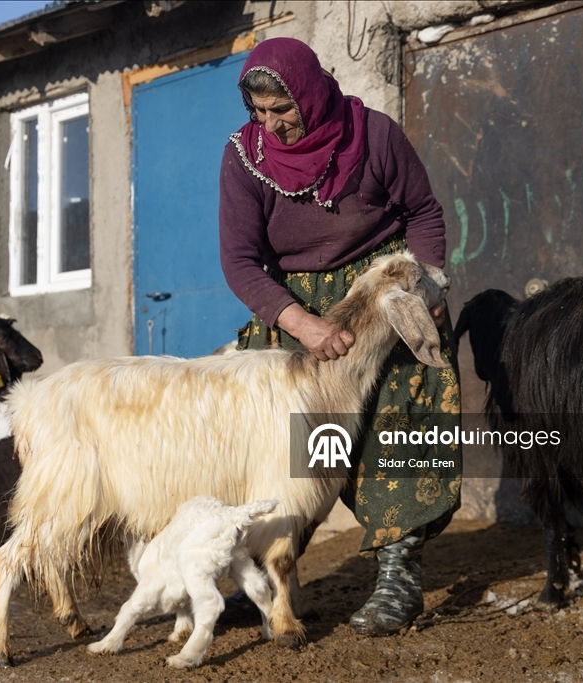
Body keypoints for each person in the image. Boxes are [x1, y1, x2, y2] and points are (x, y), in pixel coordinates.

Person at [219, 37, 462, 635]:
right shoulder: (244, 158)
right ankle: (277, 578)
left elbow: (424, 212)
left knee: (398, 420)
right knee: (298, 445)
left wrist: (427, 287)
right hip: (295, 307)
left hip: (382, 294)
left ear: (311, 91)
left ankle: (398, 578)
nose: (272, 124)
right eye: (260, 112)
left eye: (283, 109)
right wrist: (300, 324)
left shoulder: (373, 135)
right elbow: (241, 260)